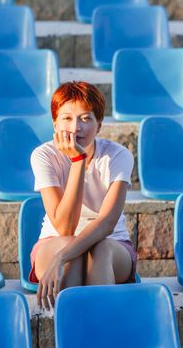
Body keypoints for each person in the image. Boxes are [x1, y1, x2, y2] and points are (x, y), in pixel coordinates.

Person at [29, 81, 137, 311]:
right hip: (54, 241)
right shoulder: (43, 156)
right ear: (55, 123)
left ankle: (100, 335)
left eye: (85, 118)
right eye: (67, 118)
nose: (75, 127)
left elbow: (106, 223)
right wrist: (78, 162)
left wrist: (61, 258)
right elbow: (65, 227)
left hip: (112, 246)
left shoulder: (119, 156)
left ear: (99, 125)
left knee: (100, 249)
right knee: (69, 246)